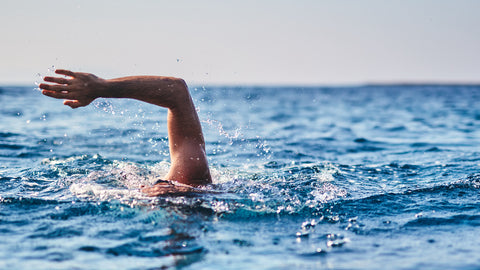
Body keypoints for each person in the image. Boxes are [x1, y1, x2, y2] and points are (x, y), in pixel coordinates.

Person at [39, 69, 212, 196]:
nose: (162, 188)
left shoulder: (191, 181)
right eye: (164, 186)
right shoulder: (193, 180)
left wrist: (101, 88)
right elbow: (176, 91)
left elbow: (176, 90)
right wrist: (100, 87)